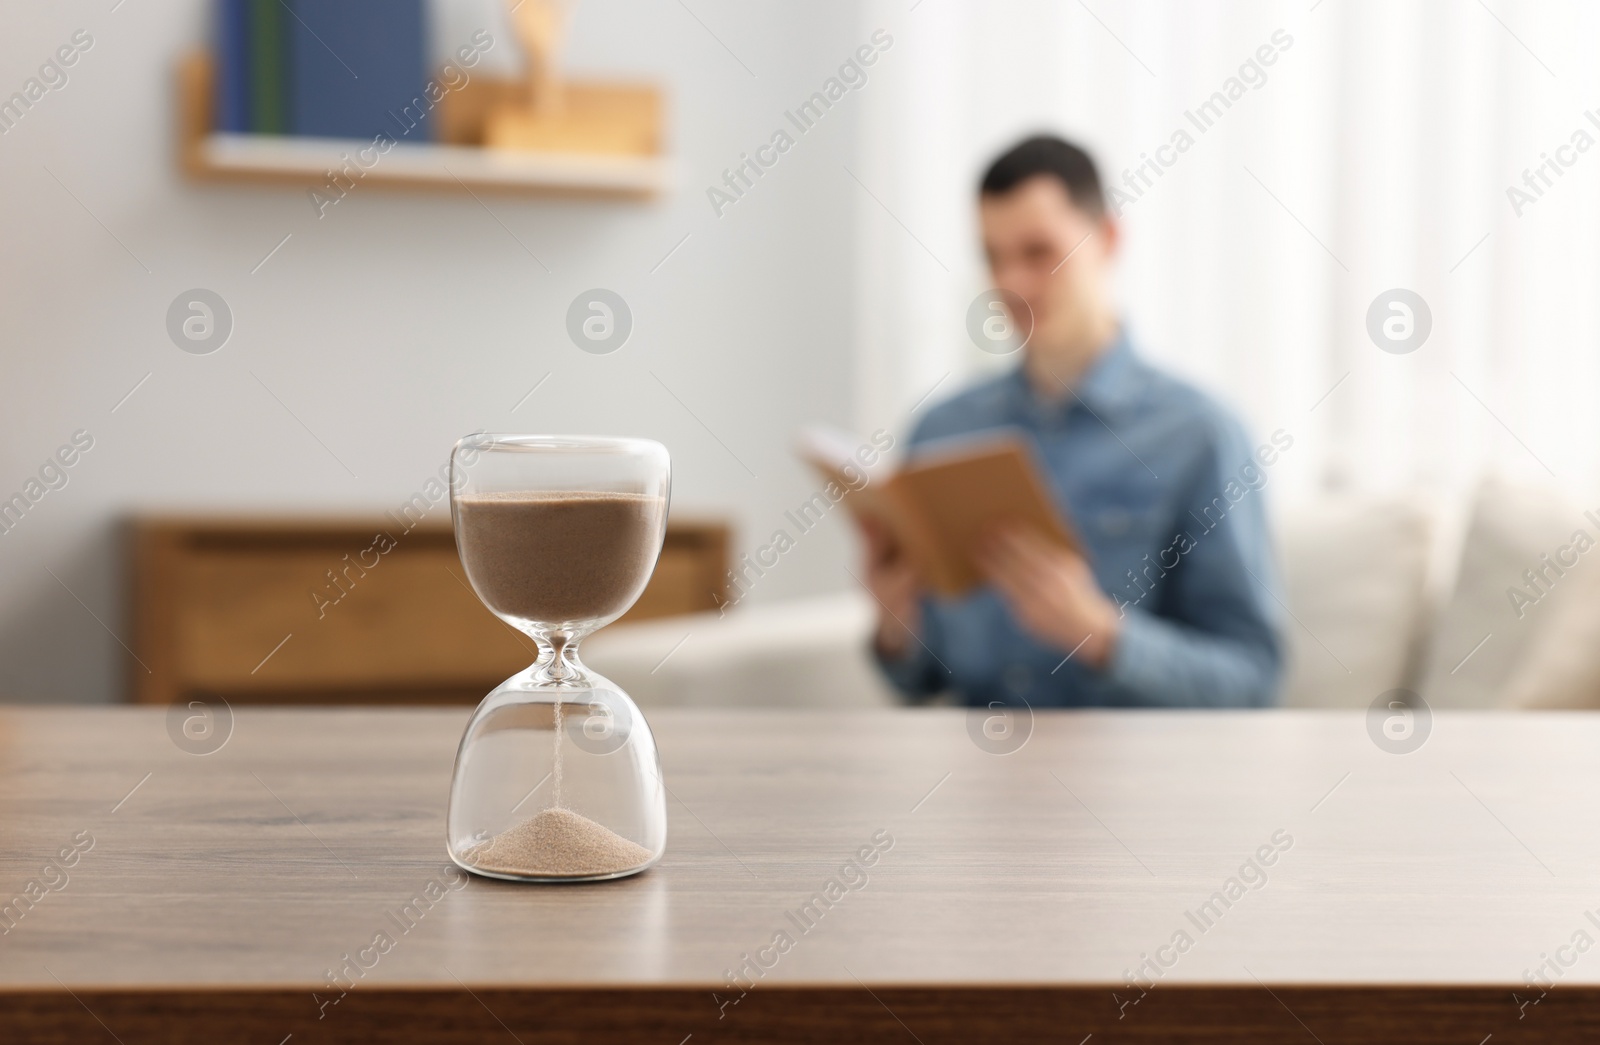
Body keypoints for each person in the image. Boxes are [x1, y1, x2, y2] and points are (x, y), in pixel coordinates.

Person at [865, 135, 1285, 708]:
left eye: (1039, 253)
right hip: (974, 775)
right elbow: (918, 683)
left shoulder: (1199, 435)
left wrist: (1103, 637)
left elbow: (1253, 679)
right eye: (993, 256)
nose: (1011, 283)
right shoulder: (941, 431)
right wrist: (897, 624)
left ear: (1108, 240)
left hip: (1129, 783)